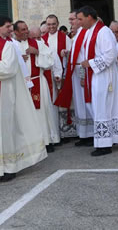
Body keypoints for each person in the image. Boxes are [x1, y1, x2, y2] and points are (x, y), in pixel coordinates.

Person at [0, 15, 47, 181]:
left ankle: (9, 167)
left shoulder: (6, 46)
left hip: (2, 96)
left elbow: (9, 69)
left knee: (4, 131)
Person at [78, 7, 118, 156]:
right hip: (96, 76)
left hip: (104, 76)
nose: (79, 22)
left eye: (81, 19)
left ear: (90, 17)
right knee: (101, 107)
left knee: (103, 107)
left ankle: (104, 145)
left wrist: (92, 63)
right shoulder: (90, 32)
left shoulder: (103, 32)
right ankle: (110, 138)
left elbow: (111, 54)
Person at [13, 20, 56, 153]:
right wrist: (19, 59)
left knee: (42, 113)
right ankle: (30, 143)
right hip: (21, 85)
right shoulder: (11, 46)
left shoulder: (38, 43)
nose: (26, 32)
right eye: (23, 30)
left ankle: (46, 141)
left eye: (26, 29)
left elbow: (50, 61)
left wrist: (37, 52)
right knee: (25, 114)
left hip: (38, 82)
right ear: (15, 32)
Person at [56, 10, 94, 147]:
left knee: (86, 104)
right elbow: (76, 54)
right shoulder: (77, 35)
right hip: (75, 74)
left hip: (83, 72)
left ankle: (91, 134)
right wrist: (67, 54)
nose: (71, 22)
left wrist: (84, 75)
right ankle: (83, 134)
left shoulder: (86, 33)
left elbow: (86, 55)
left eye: (73, 19)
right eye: (70, 19)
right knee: (79, 104)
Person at [42, 14, 74, 142]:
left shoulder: (64, 37)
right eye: (49, 24)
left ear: (58, 23)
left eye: (53, 24)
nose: (51, 27)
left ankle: (67, 131)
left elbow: (71, 53)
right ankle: (56, 131)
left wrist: (65, 54)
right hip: (49, 75)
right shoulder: (43, 39)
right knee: (53, 103)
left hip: (63, 73)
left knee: (65, 102)